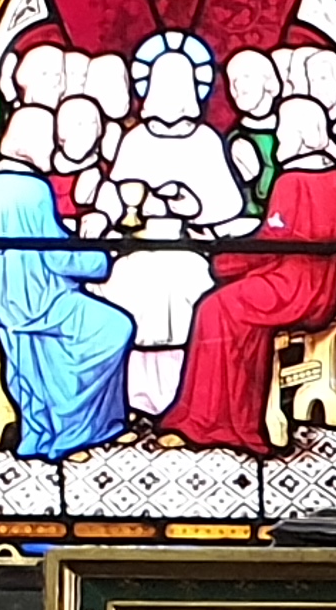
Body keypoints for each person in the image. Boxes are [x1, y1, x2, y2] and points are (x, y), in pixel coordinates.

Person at [159, 72, 336, 453]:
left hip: (293, 289)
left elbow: (272, 244)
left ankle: (212, 423)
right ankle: (228, 417)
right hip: (322, 289)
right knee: (229, 308)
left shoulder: (293, 181)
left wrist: (224, 257)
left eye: (283, 129)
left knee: (216, 309)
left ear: (299, 133)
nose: (279, 136)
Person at [0, 80, 134, 461]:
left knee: (33, 370)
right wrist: (100, 253)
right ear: (29, 143)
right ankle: (77, 429)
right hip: (43, 301)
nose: (56, 147)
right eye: (50, 139)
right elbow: (57, 256)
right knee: (114, 329)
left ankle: (40, 435)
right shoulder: (30, 189)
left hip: (5, 303)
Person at [98, 32, 248, 421]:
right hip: (139, 247)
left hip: (187, 248)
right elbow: (115, 194)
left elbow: (228, 202)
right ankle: (137, 397)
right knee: (132, 295)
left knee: (188, 293)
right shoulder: (135, 140)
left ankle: (180, 397)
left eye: (179, 84)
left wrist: (192, 205)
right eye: (162, 84)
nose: (171, 93)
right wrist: (129, 203)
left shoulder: (205, 141)